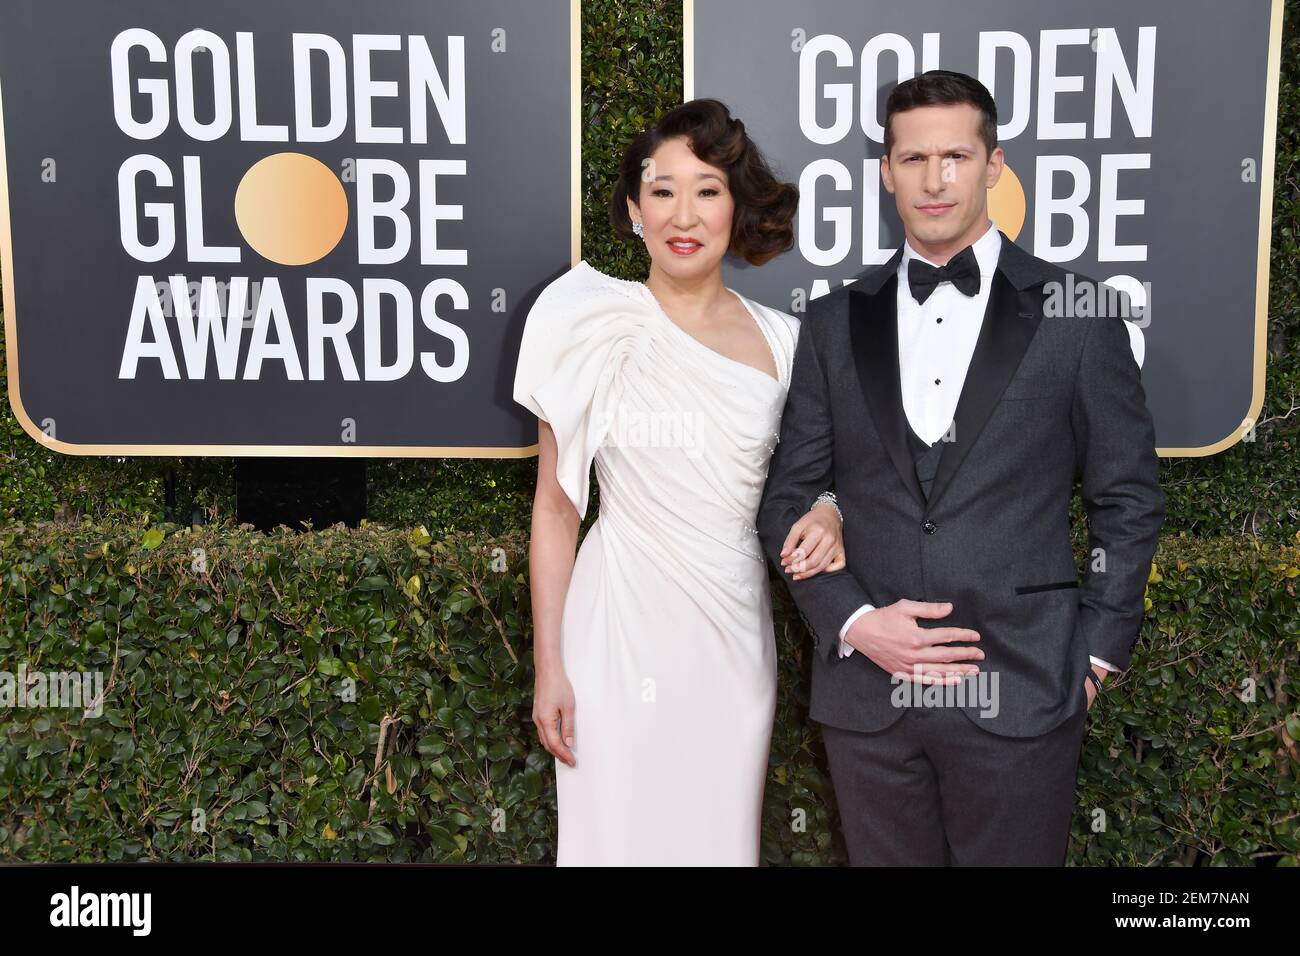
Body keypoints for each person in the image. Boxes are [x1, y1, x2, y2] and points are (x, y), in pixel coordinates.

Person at [756, 70, 1165, 865]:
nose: (934, 179)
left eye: (955, 156)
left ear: (994, 164)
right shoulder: (835, 321)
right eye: (912, 158)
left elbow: (1128, 497)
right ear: (885, 171)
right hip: (869, 699)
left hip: (1024, 687)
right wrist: (852, 622)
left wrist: (1091, 658)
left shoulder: (1078, 313)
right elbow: (789, 500)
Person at [513, 99, 844, 865]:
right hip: (613, 632)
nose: (683, 214)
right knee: (613, 839)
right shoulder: (585, 320)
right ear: (634, 209)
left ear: (738, 205)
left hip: (731, 636)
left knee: (717, 843)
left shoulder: (788, 342)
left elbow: (828, 483)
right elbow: (558, 508)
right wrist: (550, 665)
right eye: (662, 191)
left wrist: (830, 511)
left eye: (708, 189)